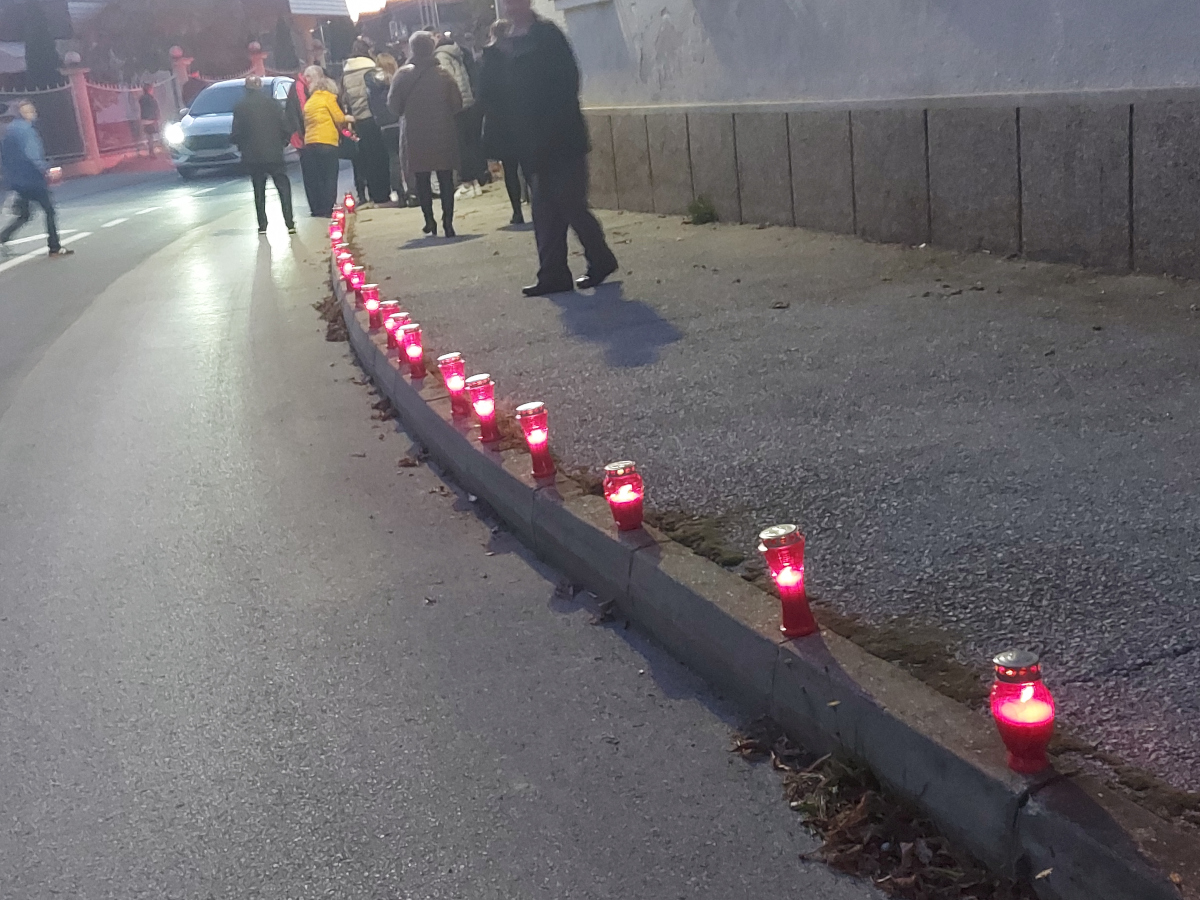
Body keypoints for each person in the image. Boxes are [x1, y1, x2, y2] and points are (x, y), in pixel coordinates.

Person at [497, 0, 617, 296]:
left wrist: (550, 120)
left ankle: (600, 258)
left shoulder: (546, 34)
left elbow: (566, 80)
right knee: (544, 208)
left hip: (560, 135)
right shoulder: (506, 40)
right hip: (532, 138)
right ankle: (553, 274)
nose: (508, 6)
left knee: (570, 202)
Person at [388, 31, 462, 238]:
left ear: (412, 49)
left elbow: (393, 106)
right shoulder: (443, 74)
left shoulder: (403, 75)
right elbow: (457, 104)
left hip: (415, 134)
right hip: (442, 131)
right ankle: (448, 222)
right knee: (445, 178)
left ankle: (429, 220)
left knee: (421, 179)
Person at [0, 99, 72, 258]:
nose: (33, 113)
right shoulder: (26, 131)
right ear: (22, 114)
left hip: (17, 180)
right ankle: (54, 247)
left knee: (25, 214)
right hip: (32, 178)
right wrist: (46, 170)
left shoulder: (9, 130)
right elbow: (32, 154)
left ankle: (3, 237)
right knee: (49, 211)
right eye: (29, 111)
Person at [231, 75, 296, 234]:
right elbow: (286, 127)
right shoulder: (273, 104)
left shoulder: (240, 106)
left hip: (253, 156)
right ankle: (289, 223)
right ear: (260, 87)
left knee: (259, 190)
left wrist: (240, 146)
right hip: (274, 154)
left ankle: (262, 225)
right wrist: (282, 143)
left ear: (246, 88)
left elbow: (237, 133)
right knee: (283, 188)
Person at [478, 19, 525, 225]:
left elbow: (483, 92)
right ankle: (540, 207)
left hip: (500, 119)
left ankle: (517, 211)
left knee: (510, 167)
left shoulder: (488, 58)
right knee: (530, 165)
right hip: (522, 115)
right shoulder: (520, 52)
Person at [340, 38, 391, 206]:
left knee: (366, 158)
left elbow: (345, 97)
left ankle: (371, 193)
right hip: (373, 116)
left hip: (358, 119)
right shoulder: (371, 69)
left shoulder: (346, 72)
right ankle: (383, 194)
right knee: (380, 157)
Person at [434, 32, 485, 199]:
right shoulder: (457, 52)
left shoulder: (441, 56)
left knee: (460, 146)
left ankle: (467, 183)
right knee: (470, 143)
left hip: (455, 106)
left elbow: (447, 81)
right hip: (468, 101)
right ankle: (476, 181)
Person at [302, 66, 353, 218]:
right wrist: (349, 119)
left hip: (310, 143)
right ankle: (329, 208)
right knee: (330, 176)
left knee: (318, 178)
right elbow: (339, 118)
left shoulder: (310, 102)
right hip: (327, 142)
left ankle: (319, 208)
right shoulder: (328, 98)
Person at [366, 52, 404, 204]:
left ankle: (398, 191)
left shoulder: (372, 85)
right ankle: (413, 190)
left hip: (384, 125)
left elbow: (371, 104)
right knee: (406, 157)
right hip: (399, 120)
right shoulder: (396, 79)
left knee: (393, 159)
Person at [138, 85, 161, 157]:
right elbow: (155, 109)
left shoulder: (141, 99)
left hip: (144, 119)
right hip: (152, 120)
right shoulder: (152, 99)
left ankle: (151, 151)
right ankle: (153, 151)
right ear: (149, 90)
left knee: (149, 136)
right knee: (157, 133)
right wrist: (157, 117)